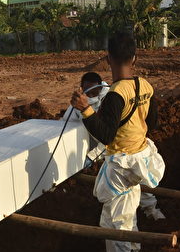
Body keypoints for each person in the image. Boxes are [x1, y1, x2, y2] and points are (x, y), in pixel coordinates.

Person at [70, 31, 165, 252]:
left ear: (109, 59)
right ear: (134, 58)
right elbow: (152, 122)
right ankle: (134, 248)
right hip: (141, 156)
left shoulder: (114, 95)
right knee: (129, 205)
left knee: (113, 221)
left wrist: (85, 110)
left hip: (122, 164)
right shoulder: (144, 85)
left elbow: (106, 136)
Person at [68, 72, 165, 220]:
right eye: (88, 91)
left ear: (101, 86)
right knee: (133, 186)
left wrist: (87, 111)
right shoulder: (76, 107)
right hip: (111, 150)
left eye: (95, 91)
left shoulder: (111, 96)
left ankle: (150, 211)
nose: (92, 94)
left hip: (118, 152)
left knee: (121, 211)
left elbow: (107, 135)